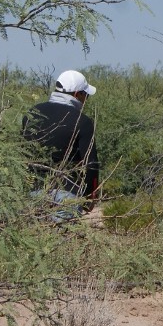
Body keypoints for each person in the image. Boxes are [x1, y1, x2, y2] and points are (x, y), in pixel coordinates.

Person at [22, 69, 100, 221]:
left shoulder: (32, 113)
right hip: (67, 194)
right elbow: (91, 164)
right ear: (77, 94)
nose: (86, 100)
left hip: (34, 193)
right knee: (63, 241)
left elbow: (24, 155)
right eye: (86, 95)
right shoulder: (82, 121)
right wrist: (89, 196)